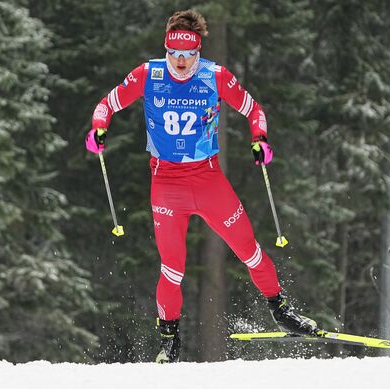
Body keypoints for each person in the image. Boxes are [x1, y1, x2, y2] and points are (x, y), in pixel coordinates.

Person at [86, 9, 316, 363]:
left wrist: (260, 139)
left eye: (187, 55)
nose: (179, 62)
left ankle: (281, 310)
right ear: (166, 50)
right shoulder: (148, 74)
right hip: (166, 184)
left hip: (208, 180)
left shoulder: (215, 76)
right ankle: (169, 342)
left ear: (198, 52)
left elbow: (255, 110)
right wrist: (98, 128)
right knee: (172, 268)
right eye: (173, 54)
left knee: (249, 251)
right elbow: (106, 104)